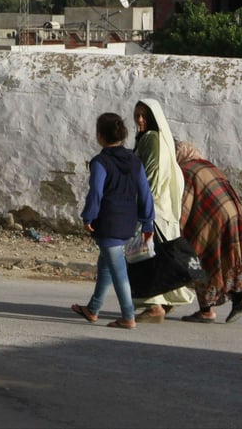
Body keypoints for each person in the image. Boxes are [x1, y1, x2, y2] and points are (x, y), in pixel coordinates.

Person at [71, 112, 155, 330]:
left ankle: (128, 316)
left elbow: (96, 193)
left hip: (108, 222)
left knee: (118, 270)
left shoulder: (100, 162)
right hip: (129, 222)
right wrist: (147, 222)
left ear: (100, 136)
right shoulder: (134, 160)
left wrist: (88, 216)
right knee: (106, 263)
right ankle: (93, 308)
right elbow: (145, 193)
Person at [175, 140, 242, 323]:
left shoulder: (186, 171)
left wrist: (175, 230)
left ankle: (206, 311)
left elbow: (184, 205)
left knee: (198, 257)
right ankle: (240, 297)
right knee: (226, 260)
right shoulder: (206, 165)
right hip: (234, 215)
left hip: (214, 220)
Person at [132, 99, 196, 321]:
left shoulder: (151, 139)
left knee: (147, 258)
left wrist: (140, 205)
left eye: (144, 116)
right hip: (162, 210)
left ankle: (154, 306)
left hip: (152, 210)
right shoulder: (160, 140)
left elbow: (150, 176)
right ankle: (166, 301)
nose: (140, 120)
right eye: (137, 115)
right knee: (163, 257)